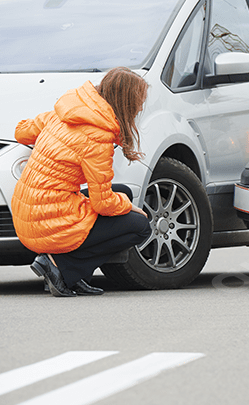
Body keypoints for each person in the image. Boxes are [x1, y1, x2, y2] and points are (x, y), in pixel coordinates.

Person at [11, 67, 152, 297]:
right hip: (47, 221)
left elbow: (21, 132)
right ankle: (61, 268)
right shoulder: (98, 137)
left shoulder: (66, 111)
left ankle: (73, 275)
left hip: (26, 210)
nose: (139, 109)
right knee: (139, 226)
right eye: (138, 103)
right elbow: (103, 203)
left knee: (123, 191)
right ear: (125, 103)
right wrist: (130, 206)